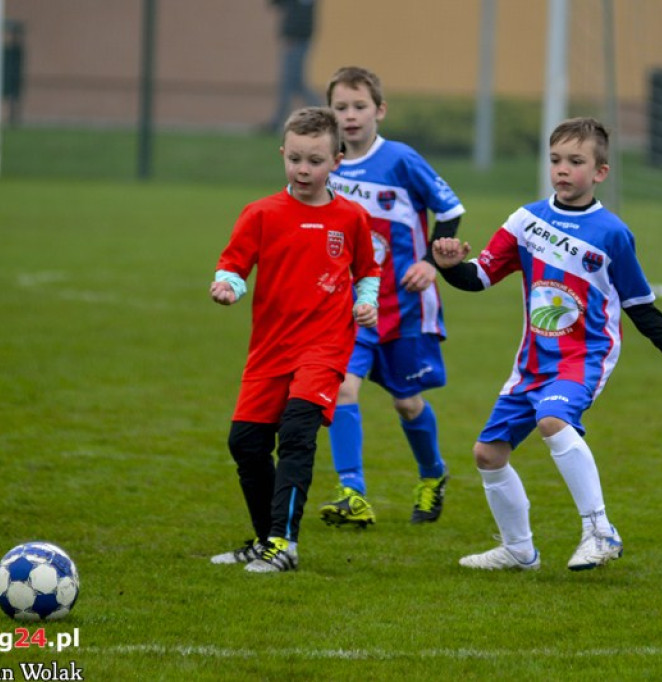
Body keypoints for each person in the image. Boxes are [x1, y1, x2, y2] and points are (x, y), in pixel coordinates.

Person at [432, 117, 662, 572]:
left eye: (575, 162)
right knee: (488, 453)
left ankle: (600, 531)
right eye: (556, 160)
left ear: (600, 171)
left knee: (553, 418)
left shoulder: (612, 234)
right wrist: (448, 267)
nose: (563, 170)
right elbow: (479, 277)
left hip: (585, 357)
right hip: (534, 362)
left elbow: (640, 306)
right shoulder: (525, 221)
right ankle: (519, 550)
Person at [209, 107, 381, 573]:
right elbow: (235, 264)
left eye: (315, 161)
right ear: (283, 154)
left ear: (336, 161)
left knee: (297, 434)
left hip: (324, 348)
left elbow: (367, 272)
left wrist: (367, 304)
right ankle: (266, 537)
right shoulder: (261, 213)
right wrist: (229, 286)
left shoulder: (351, 218)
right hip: (270, 348)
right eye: (296, 159)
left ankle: (284, 544)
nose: (304, 170)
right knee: (245, 443)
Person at [317, 66, 466, 527]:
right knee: (342, 388)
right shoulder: (327, 163)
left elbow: (451, 209)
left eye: (359, 106)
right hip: (349, 308)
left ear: (379, 110)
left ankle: (432, 474)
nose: (350, 116)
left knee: (406, 402)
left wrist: (429, 263)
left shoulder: (400, 159)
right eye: (341, 107)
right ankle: (353, 492)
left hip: (403, 307)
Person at [266, 0, 323, 133]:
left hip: (297, 40)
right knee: (295, 82)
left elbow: (300, 16)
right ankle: (323, 114)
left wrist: (291, 33)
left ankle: (278, 121)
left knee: (290, 82)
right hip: (297, 39)